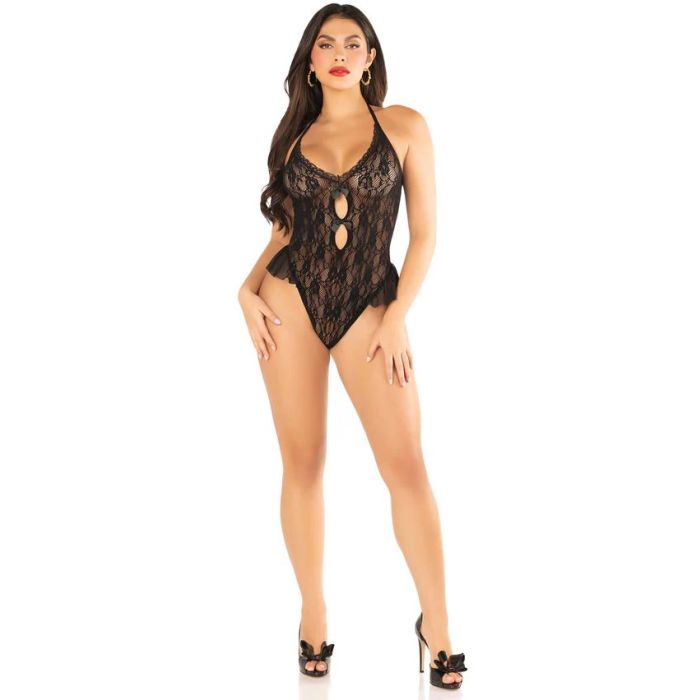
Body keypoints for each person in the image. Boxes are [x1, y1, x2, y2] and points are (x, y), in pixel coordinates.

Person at [237, 5, 467, 689]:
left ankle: (438, 627)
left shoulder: (405, 126)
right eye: (326, 44)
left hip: (372, 305)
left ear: (370, 58)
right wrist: (245, 288)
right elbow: (285, 231)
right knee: (302, 464)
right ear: (310, 61)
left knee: (407, 469)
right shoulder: (294, 139)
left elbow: (425, 234)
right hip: (289, 302)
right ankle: (313, 614)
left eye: (353, 43)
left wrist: (398, 316)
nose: (339, 53)